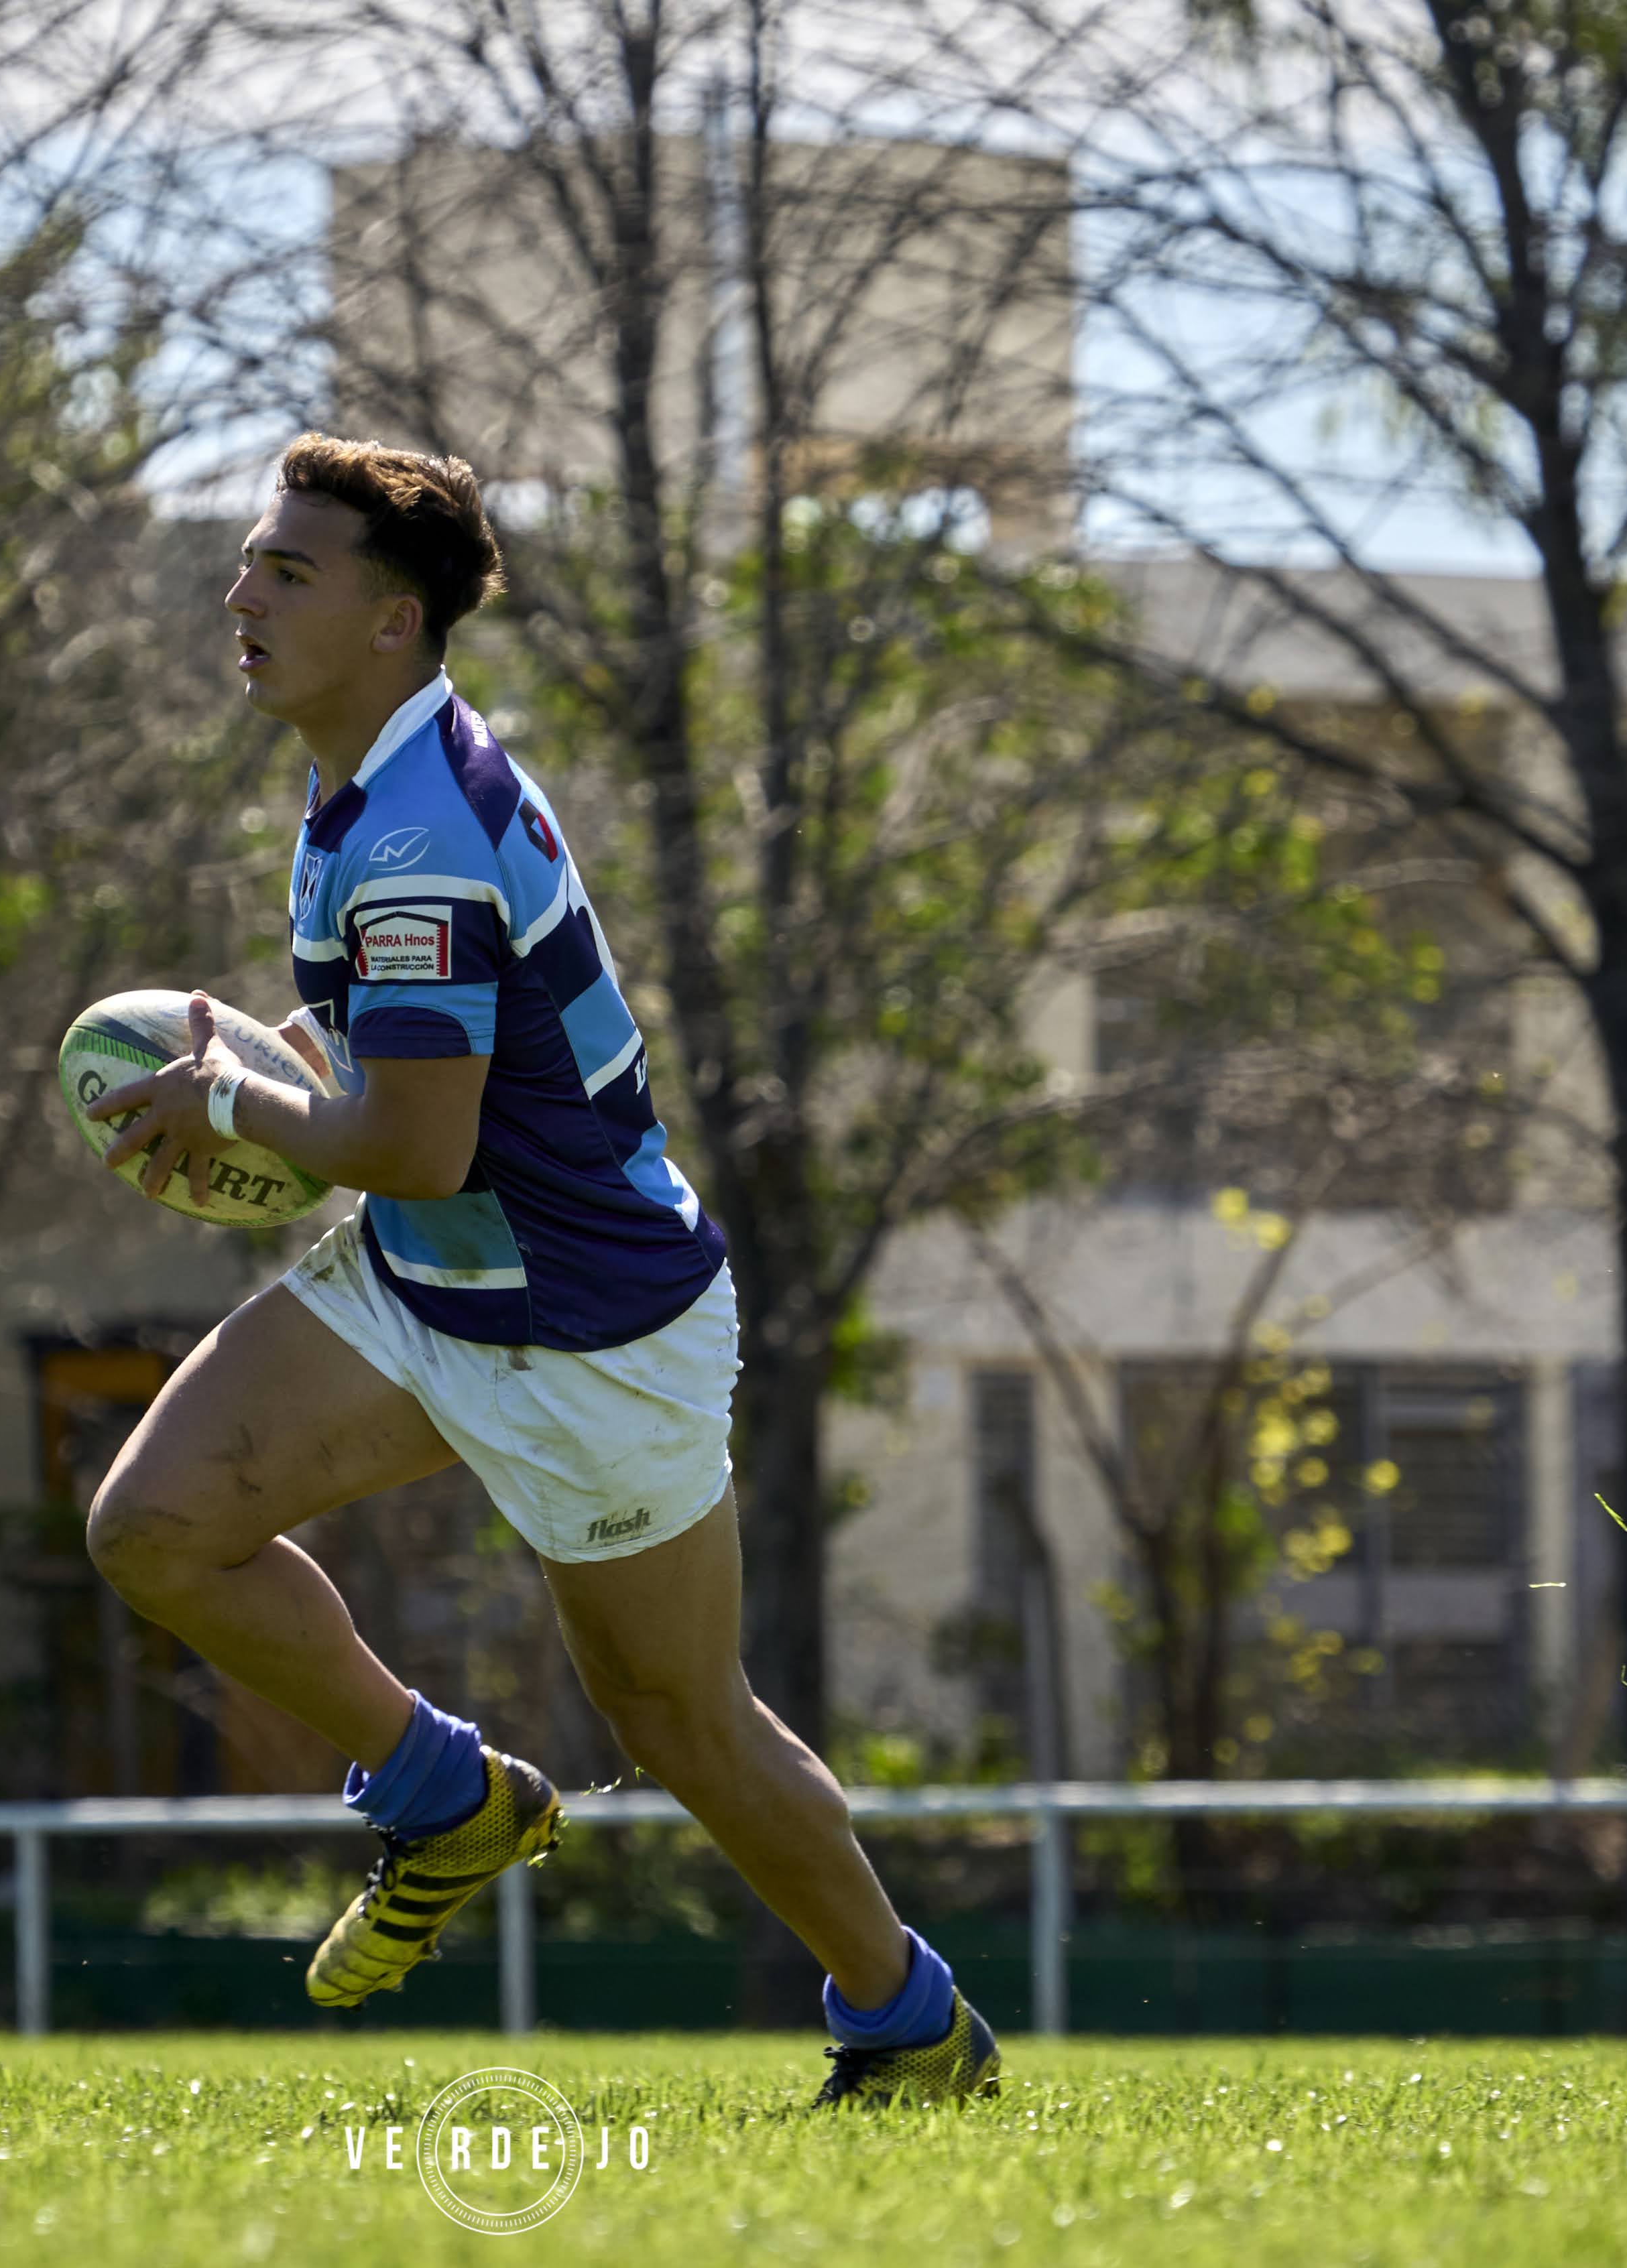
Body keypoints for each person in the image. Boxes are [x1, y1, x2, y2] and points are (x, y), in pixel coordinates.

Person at [82, 434, 995, 2105]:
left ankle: (908, 2019)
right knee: (156, 1527)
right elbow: (416, 1100)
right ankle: (442, 1799)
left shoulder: (418, 829)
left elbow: (416, 1146)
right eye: (249, 558)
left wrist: (232, 1098)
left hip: (587, 1335)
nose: (243, 591)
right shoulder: (367, 775)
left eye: (290, 568)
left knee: (682, 1724)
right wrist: (266, 1058)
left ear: (395, 618)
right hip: (439, 1279)